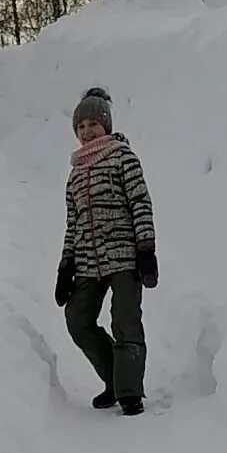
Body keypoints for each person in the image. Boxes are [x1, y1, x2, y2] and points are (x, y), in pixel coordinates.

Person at [54, 86, 159, 416]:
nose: (87, 132)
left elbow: (140, 203)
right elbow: (73, 222)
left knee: (125, 322)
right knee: (77, 318)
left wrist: (146, 250)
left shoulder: (123, 157)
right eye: (80, 126)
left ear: (106, 126)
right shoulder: (75, 173)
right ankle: (114, 380)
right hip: (87, 262)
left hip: (125, 256)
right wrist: (65, 265)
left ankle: (129, 393)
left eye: (93, 125)